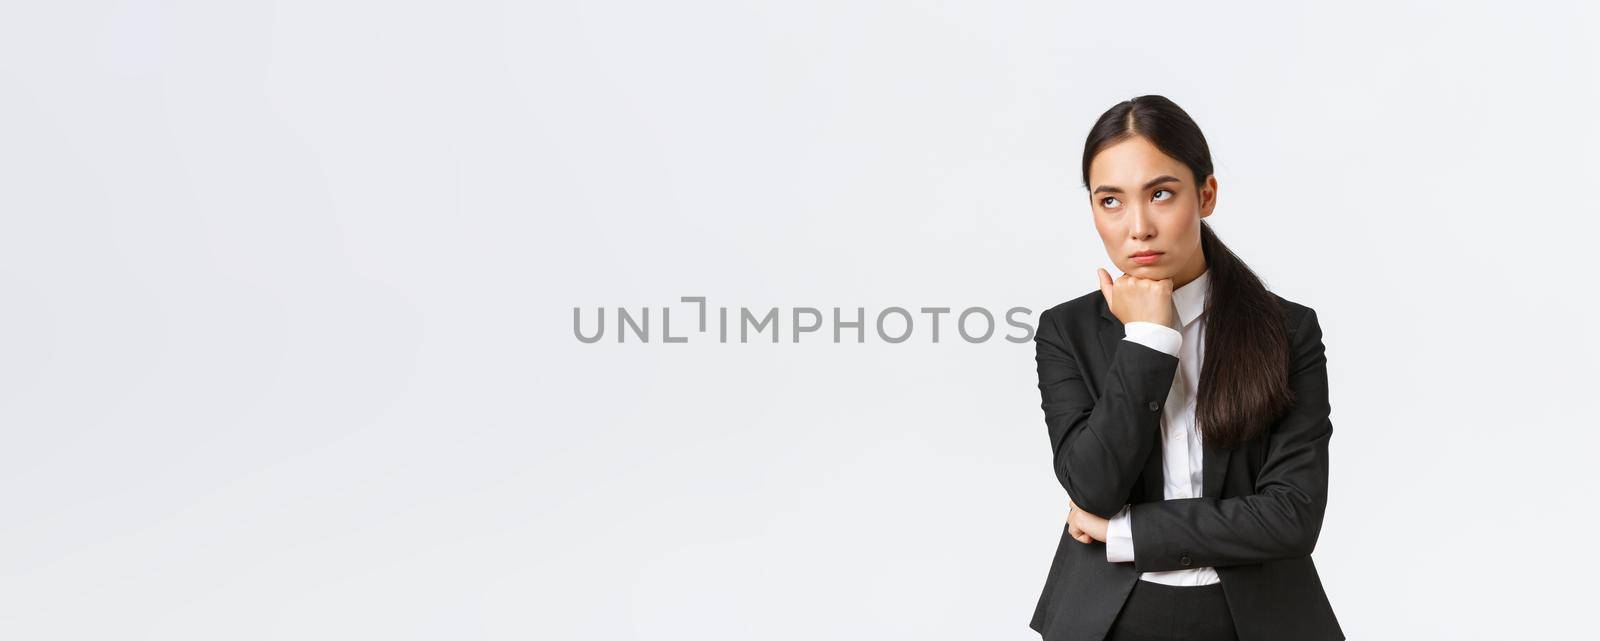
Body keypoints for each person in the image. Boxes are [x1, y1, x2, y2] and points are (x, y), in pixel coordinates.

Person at [1027, 95, 1344, 641]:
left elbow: (1292, 517)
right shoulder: (1067, 331)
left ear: (1206, 195)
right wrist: (1148, 340)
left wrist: (1125, 533)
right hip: (1108, 618)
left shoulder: (1288, 331)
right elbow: (1093, 488)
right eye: (1111, 201)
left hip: (1257, 619)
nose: (1139, 227)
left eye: (1161, 194)